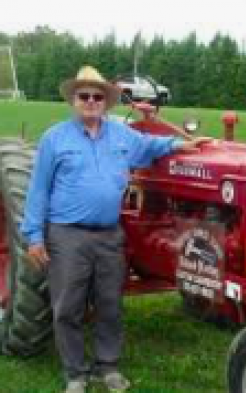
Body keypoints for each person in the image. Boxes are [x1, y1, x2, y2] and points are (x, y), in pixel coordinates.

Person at [20, 65, 211, 393]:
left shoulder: (123, 136)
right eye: (84, 96)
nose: (91, 101)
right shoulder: (55, 139)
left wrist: (184, 145)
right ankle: (75, 374)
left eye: (97, 96)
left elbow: (153, 145)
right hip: (67, 234)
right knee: (68, 305)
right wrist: (35, 236)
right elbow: (38, 191)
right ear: (74, 100)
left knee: (110, 302)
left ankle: (106, 366)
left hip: (109, 234)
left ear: (106, 102)